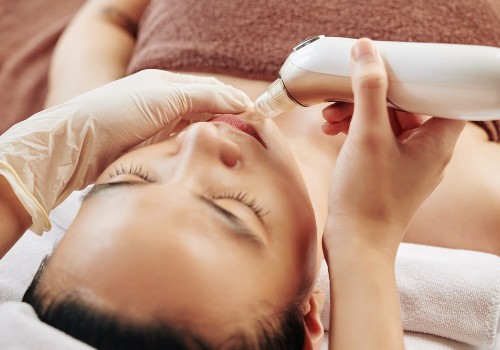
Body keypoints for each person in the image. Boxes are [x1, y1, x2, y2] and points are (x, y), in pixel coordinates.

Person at [0, 38, 469, 349]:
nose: (197, 142)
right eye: (235, 208)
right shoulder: (463, 189)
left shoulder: (99, 132)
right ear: (309, 315)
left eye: (132, 179)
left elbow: (109, 19)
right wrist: (364, 243)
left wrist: (23, 163)